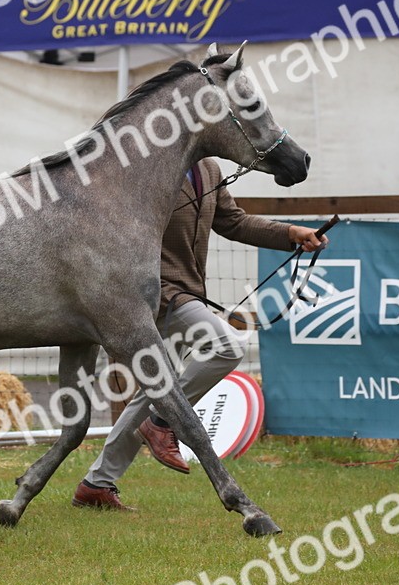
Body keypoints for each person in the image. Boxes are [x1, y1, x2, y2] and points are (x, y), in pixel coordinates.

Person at [72, 158, 326, 511]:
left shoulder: (209, 171)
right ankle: (163, 422)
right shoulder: (147, 166)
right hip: (154, 294)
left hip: (184, 291)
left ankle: (96, 484)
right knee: (226, 346)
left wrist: (289, 233)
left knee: (158, 389)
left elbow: (233, 221)